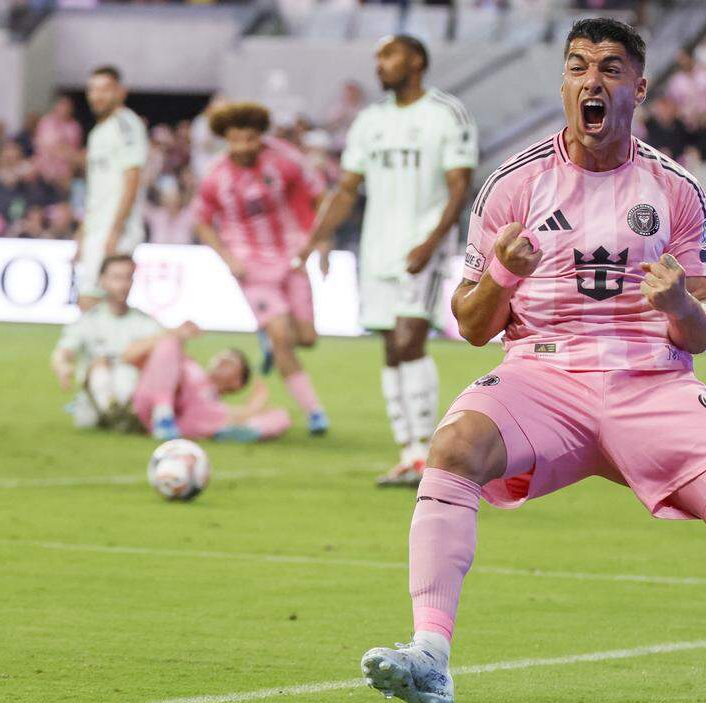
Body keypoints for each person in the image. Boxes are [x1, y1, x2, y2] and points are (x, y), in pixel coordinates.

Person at [358, 18, 706, 703]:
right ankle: (430, 651)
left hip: (651, 381)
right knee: (451, 450)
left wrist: (675, 305)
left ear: (639, 86)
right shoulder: (514, 184)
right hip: (543, 377)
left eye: (609, 67)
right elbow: (474, 325)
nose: (591, 80)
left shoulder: (675, 190)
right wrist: (507, 273)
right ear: (565, 84)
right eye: (577, 66)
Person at [299, 35, 478, 486]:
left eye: (389, 55)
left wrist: (432, 241)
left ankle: (428, 452)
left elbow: (460, 185)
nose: (380, 64)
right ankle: (409, 454)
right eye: (378, 57)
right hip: (376, 248)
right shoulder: (369, 122)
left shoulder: (445, 113)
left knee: (409, 338)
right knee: (389, 346)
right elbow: (346, 189)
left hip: (423, 245)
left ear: (416, 60)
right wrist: (314, 239)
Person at [193, 102, 330, 435]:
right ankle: (315, 413)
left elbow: (319, 197)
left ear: (260, 136)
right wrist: (229, 259)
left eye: (250, 139)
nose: (243, 147)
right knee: (282, 336)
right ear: (226, 139)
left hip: (293, 257)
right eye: (236, 140)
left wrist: (322, 244)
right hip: (251, 268)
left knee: (307, 339)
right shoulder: (216, 175)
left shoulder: (285, 159)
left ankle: (269, 341)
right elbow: (202, 221)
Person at [51, 253, 164, 430]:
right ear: (103, 280)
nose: (123, 285)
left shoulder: (145, 322)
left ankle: (125, 415)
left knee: (127, 372)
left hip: (131, 390)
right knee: (99, 368)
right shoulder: (90, 319)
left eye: (128, 278)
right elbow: (64, 350)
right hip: (93, 400)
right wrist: (62, 366)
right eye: (117, 278)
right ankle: (118, 416)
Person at [74, 66, 148, 312]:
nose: (97, 95)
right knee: (97, 302)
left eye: (105, 89)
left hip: (117, 227)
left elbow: (133, 178)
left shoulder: (126, 124)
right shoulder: (98, 132)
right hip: (98, 227)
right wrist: (84, 231)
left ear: (120, 92)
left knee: (95, 300)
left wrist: (115, 230)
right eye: (93, 89)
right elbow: (99, 191)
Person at [129, 332, 290, 443]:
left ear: (237, 383)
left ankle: (240, 431)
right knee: (170, 342)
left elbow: (232, 413)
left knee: (281, 415)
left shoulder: (213, 403)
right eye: (222, 355)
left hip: (190, 420)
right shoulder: (190, 365)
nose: (222, 360)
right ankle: (163, 414)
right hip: (154, 399)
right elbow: (134, 358)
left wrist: (255, 408)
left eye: (230, 362)